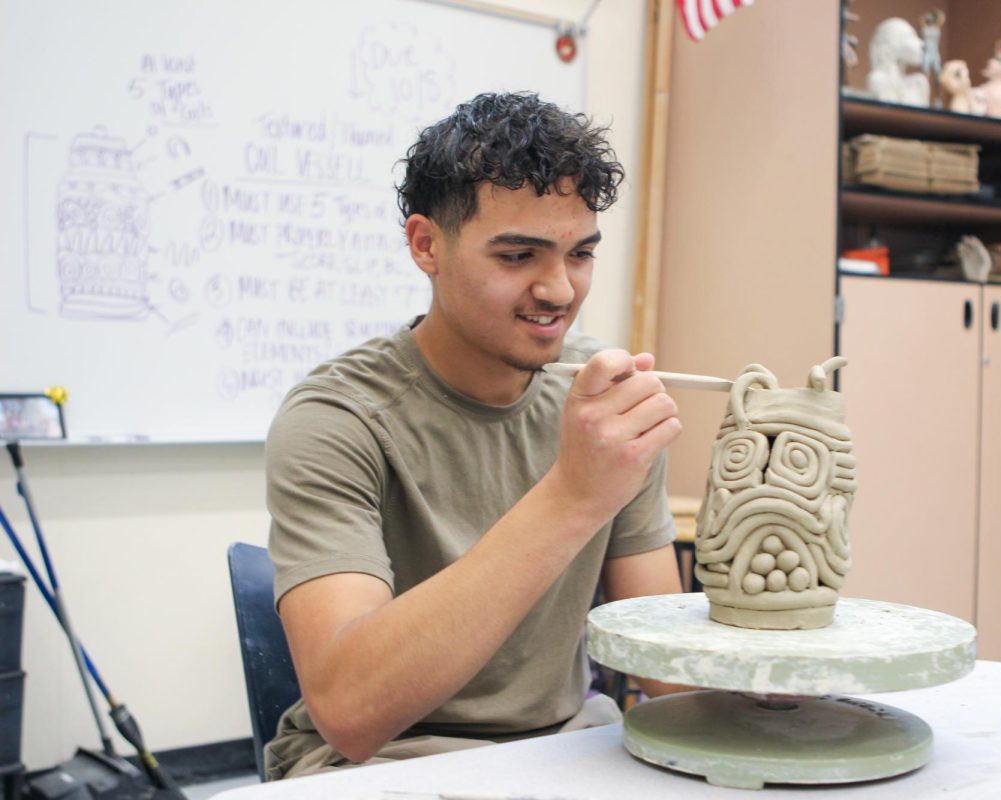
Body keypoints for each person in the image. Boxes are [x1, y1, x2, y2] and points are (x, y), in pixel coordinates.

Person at [263, 92, 685, 780]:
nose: (559, 290)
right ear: (427, 245)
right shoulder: (337, 419)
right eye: (519, 255)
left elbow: (669, 675)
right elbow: (350, 710)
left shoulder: (605, 404)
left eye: (580, 254)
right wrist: (574, 496)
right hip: (381, 764)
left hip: (564, 747)